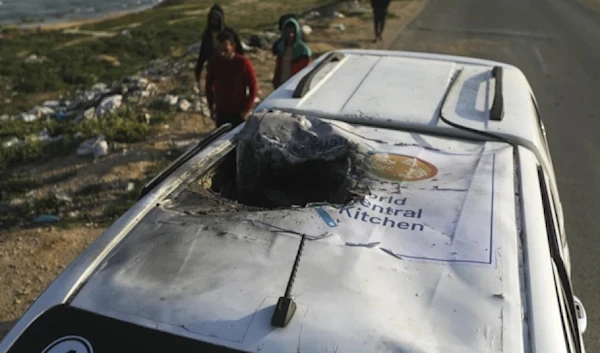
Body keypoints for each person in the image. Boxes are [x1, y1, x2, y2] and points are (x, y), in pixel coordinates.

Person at [205, 30, 258, 128]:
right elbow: (209, 86)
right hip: (221, 111)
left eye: (225, 49)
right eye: (219, 49)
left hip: (238, 111)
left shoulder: (243, 63)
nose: (222, 53)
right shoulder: (214, 63)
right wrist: (211, 106)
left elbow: (253, 86)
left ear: (233, 46)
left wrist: (246, 109)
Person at [195, 4, 244, 87]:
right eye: (211, 18)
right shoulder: (207, 35)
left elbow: (240, 51)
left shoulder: (230, 33)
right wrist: (198, 70)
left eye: (215, 18)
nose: (213, 21)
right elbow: (203, 53)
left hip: (229, 67)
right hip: (213, 67)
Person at [272, 17, 312, 89]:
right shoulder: (281, 48)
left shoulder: (303, 51)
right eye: (288, 32)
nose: (290, 35)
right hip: (281, 86)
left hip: (295, 87)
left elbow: (305, 73)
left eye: (293, 32)